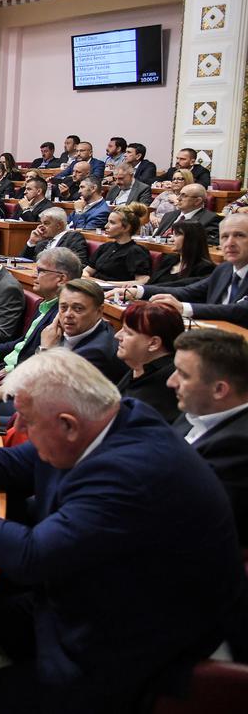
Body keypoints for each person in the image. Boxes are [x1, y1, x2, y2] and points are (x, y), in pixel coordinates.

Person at [0, 349, 248, 714]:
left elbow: (33, 556)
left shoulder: (128, 475)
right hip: (105, 583)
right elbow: (13, 462)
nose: (18, 429)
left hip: (138, 640)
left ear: (68, 424)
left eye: (26, 420)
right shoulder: (111, 418)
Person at [169, 328, 248, 546]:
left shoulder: (238, 446)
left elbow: (187, 518)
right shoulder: (199, 408)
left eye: (183, 375)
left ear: (219, 389)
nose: (171, 382)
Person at [0, 247, 81, 382]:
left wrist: (13, 369)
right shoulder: (44, 304)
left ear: (61, 279)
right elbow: (24, 341)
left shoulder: (62, 316)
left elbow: (45, 361)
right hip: (2, 365)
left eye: (40, 271)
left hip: (17, 376)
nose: (33, 275)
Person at [119, 213, 248, 325]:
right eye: (224, 237)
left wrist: (182, 307)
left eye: (239, 235)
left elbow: (240, 310)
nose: (230, 243)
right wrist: (138, 291)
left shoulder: (210, 268)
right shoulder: (224, 269)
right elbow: (188, 291)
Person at [113, 300, 183, 424]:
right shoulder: (139, 365)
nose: (117, 336)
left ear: (154, 343)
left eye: (128, 332)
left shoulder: (165, 387)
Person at [84, 203, 151, 283]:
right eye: (108, 222)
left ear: (126, 227)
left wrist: (109, 284)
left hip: (114, 289)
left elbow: (143, 280)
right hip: (93, 286)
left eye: (112, 223)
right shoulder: (105, 247)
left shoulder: (136, 251)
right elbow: (87, 271)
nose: (106, 226)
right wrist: (88, 279)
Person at [149, 220, 215, 286]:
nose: (171, 239)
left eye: (177, 235)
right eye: (172, 234)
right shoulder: (168, 259)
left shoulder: (205, 269)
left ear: (191, 239)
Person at [154, 183, 220, 244]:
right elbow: (155, 237)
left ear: (197, 201)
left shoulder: (211, 219)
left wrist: (182, 239)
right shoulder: (169, 215)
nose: (178, 198)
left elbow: (213, 241)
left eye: (183, 196)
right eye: (179, 194)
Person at [20, 207, 88, 266]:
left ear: (59, 225)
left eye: (46, 223)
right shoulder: (42, 241)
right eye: (41, 223)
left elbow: (78, 265)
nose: (41, 227)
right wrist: (32, 242)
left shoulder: (73, 238)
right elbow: (22, 262)